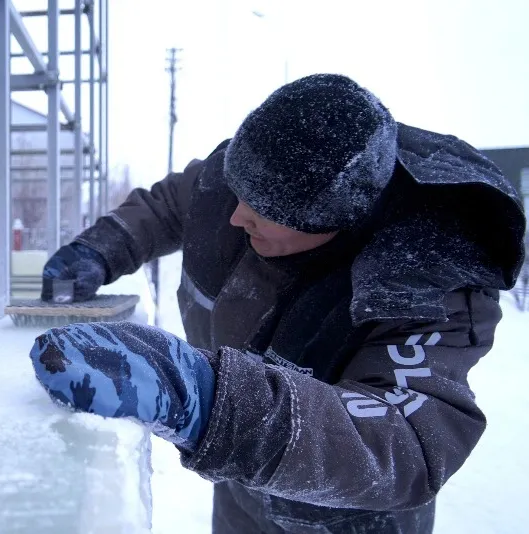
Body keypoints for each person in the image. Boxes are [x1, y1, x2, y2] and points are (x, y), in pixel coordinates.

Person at [29, 74, 526, 533]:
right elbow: (170, 205)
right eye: (238, 192)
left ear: (336, 219)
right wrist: (101, 247)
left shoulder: (431, 279)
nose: (237, 214)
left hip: (344, 518)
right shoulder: (242, 182)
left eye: (262, 208)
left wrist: (205, 397)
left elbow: (405, 442)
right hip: (241, 481)